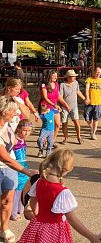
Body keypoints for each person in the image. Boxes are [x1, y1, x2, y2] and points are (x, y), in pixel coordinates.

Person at [18, 149, 100, 243]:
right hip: (54, 231)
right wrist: (91, 236)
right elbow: (72, 219)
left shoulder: (39, 181)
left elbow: (33, 202)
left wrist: (38, 217)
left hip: (37, 226)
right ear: (66, 169)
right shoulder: (62, 192)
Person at [0, 96, 37, 243]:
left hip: (9, 169)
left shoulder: (8, 123)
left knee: (7, 201)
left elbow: (26, 114)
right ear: (4, 112)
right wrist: (27, 171)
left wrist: (17, 99)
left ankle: (4, 228)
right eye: (13, 111)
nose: (16, 114)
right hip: (6, 165)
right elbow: (4, 158)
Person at [40, 70, 70, 147]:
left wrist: (65, 104)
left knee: (57, 124)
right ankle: (42, 140)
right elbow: (45, 97)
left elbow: (59, 96)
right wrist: (54, 105)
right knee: (47, 124)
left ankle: (52, 141)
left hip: (54, 106)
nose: (55, 77)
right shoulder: (44, 85)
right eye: (53, 76)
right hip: (45, 107)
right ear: (49, 76)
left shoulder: (57, 84)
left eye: (56, 76)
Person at [11, 119, 32, 221]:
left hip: (24, 165)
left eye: (29, 131)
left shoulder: (23, 140)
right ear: (18, 129)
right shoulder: (14, 140)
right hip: (16, 166)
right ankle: (13, 212)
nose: (26, 133)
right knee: (16, 189)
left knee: (23, 188)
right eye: (24, 130)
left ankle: (20, 208)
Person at [60, 70, 86, 145]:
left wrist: (84, 98)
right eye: (73, 76)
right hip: (65, 107)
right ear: (68, 77)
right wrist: (65, 105)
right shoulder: (62, 85)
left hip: (74, 106)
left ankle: (79, 137)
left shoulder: (76, 83)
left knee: (77, 122)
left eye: (74, 76)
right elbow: (60, 97)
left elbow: (78, 92)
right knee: (64, 123)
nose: (74, 77)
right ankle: (65, 138)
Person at [84, 66, 101, 140]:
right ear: (94, 72)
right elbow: (87, 89)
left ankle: (93, 133)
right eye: (97, 72)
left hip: (98, 102)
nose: (98, 74)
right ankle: (91, 128)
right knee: (87, 118)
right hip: (90, 102)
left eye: (99, 72)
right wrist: (87, 98)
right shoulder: (89, 79)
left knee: (96, 118)